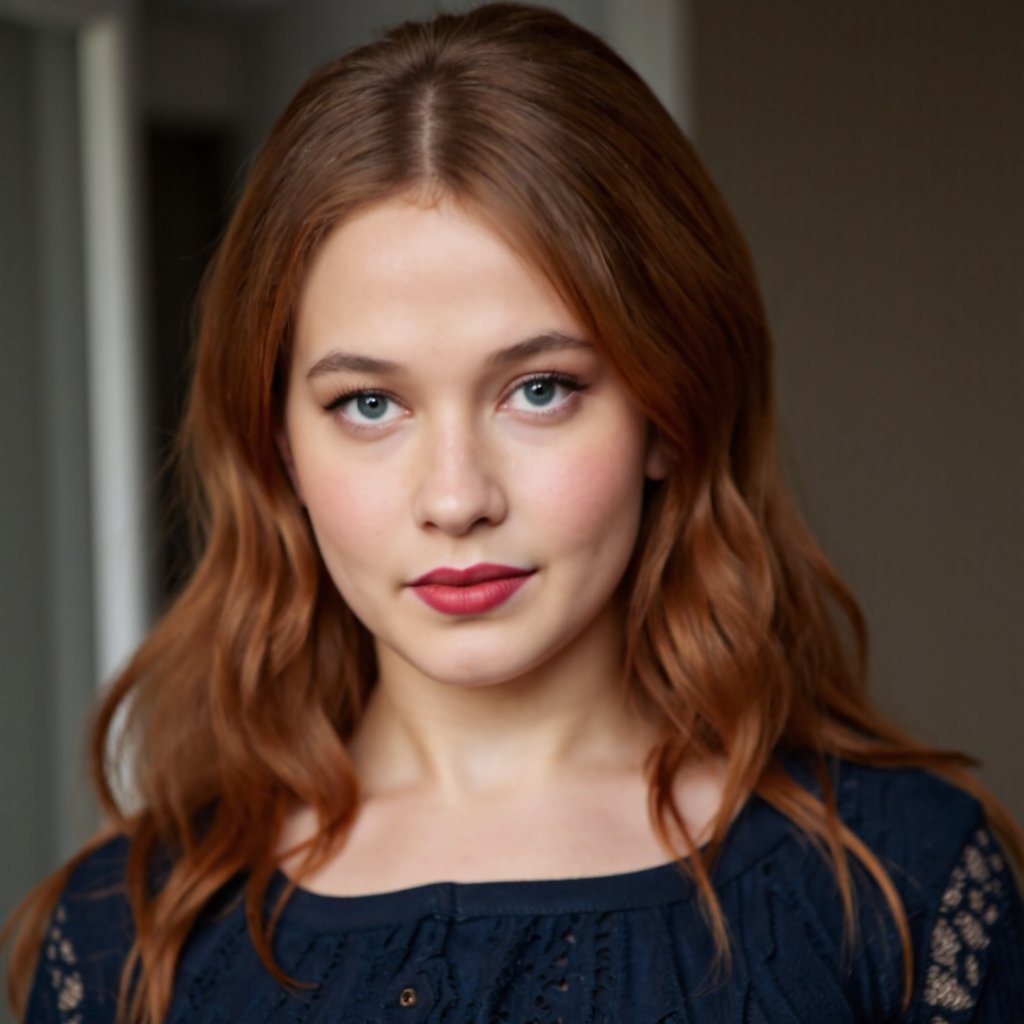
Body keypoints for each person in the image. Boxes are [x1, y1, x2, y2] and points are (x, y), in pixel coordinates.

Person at [5, 3, 1023, 1022]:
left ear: (669, 412)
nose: (456, 499)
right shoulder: (123, 935)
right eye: (369, 405)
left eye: (539, 388)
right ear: (280, 443)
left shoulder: (906, 889)